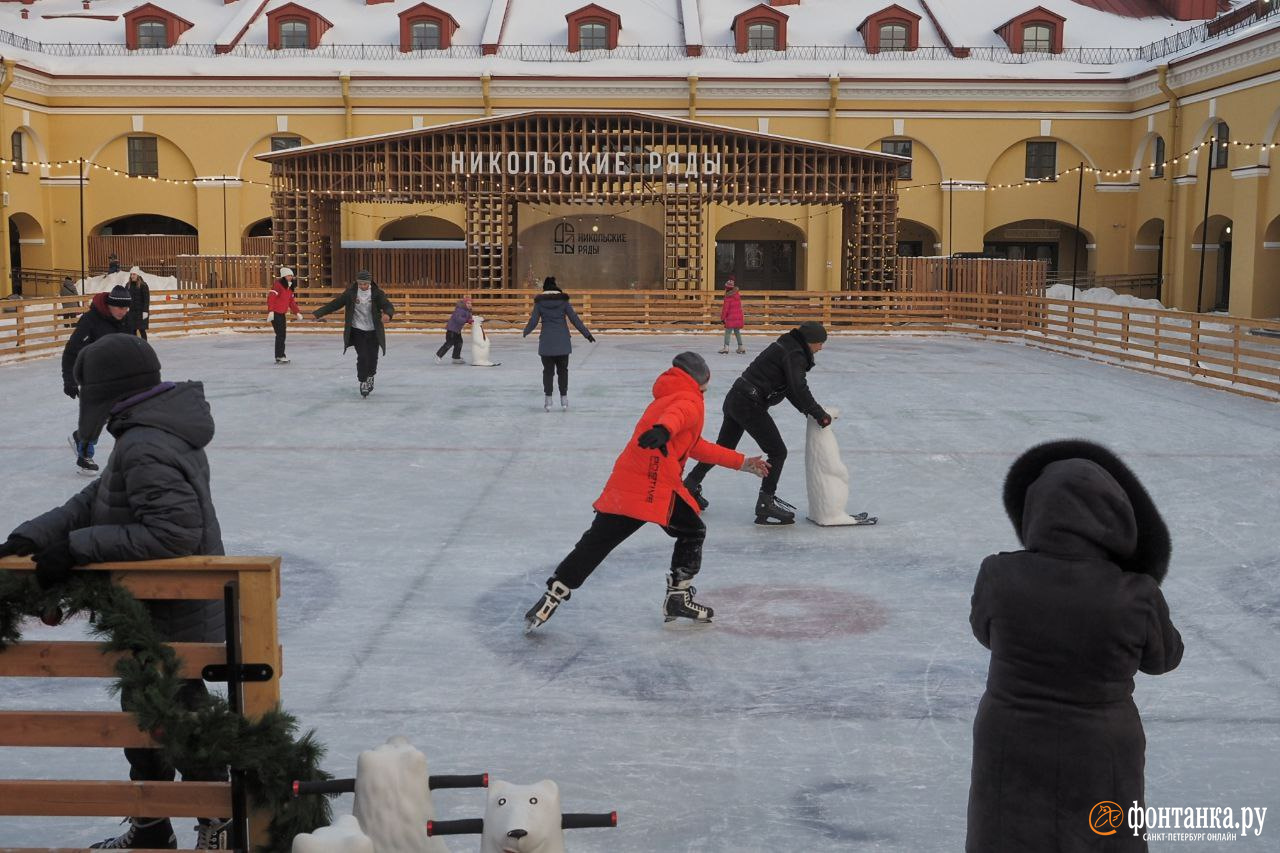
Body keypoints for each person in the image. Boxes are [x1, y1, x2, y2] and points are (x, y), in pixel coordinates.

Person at [0, 335, 231, 849]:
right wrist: (37, 534)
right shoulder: (146, 433)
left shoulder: (147, 442)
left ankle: (217, 823)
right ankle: (152, 825)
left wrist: (78, 549)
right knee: (145, 719)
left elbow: (174, 534)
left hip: (174, 614)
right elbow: (98, 498)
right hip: (156, 612)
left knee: (178, 720)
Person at [966, 440, 1182, 853]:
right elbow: (1163, 659)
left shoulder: (999, 573)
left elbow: (985, 633)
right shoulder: (1134, 594)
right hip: (1101, 747)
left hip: (1010, 735)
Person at [524, 352, 769, 631]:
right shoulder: (689, 399)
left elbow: (694, 444)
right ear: (702, 379)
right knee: (692, 531)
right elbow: (676, 418)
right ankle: (678, 597)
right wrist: (664, 430)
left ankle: (553, 594)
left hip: (626, 484)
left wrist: (741, 462)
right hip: (655, 486)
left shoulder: (668, 394)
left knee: (597, 542)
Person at [683, 321, 832, 525]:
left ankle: (690, 485)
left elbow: (790, 389)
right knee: (778, 452)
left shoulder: (787, 346)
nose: (821, 348)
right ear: (810, 342)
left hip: (737, 397)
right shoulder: (794, 353)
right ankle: (766, 502)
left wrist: (809, 411)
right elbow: (798, 387)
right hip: (748, 404)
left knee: (723, 449)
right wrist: (818, 413)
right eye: (820, 343)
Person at [62, 284, 132, 474]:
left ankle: (81, 438)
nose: (124, 312)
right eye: (121, 308)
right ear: (110, 305)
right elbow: (71, 350)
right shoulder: (91, 320)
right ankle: (85, 455)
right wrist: (68, 380)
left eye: (127, 308)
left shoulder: (125, 319)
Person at [312, 269, 395, 398]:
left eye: (365, 284)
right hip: (357, 330)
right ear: (357, 282)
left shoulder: (377, 293)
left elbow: (388, 305)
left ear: (369, 283)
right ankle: (362, 381)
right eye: (360, 283)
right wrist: (318, 313)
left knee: (372, 357)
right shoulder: (350, 293)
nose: (362, 286)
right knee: (362, 356)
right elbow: (335, 304)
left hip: (373, 331)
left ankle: (370, 376)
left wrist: (388, 314)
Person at [522, 276, 594, 412]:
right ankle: (564, 398)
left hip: (547, 343)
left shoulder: (540, 302)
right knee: (563, 371)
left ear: (544, 288)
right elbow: (574, 319)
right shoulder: (563, 301)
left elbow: (533, 321)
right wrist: (587, 334)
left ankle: (548, 399)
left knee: (548, 372)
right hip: (562, 342)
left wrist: (526, 331)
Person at [266, 266, 303, 364]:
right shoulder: (278, 285)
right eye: (289, 275)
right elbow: (271, 297)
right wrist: (271, 311)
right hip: (275, 313)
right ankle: (280, 356)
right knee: (280, 335)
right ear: (284, 276)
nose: (291, 277)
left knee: (282, 335)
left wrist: (297, 312)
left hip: (282, 314)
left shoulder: (289, 287)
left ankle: (280, 355)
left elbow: (291, 302)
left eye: (291, 275)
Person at [436, 295, 473, 364]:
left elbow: (469, 318)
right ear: (464, 304)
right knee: (449, 343)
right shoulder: (459, 310)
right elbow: (458, 319)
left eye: (470, 303)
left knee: (459, 343)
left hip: (457, 331)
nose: (470, 305)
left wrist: (473, 320)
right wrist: (467, 320)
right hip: (451, 330)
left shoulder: (467, 311)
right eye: (468, 303)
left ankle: (456, 358)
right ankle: (438, 355)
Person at [717, 276, 745, 354]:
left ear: (727, 288)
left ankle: (726, 348)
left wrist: (722, 318)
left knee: (728, 332)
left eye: (725, 287)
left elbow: (725, 309)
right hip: (738, 317)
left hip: (730, 317)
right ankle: (741, 347)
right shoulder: (737, 295)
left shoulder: (728, 297)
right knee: (737, 332)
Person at [125, 266, 151, 340]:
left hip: (141, 312)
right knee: (132, 330)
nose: (132, 276)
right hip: (131, 312)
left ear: (138, 275)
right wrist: (126, 307)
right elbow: (125, 297)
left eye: (134, 274)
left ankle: (144, 346)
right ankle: (135, 347)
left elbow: (146, 299)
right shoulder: (128, 285)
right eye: (131, 274)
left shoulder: (143, 285)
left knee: (142, 330)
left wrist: (145, 311)